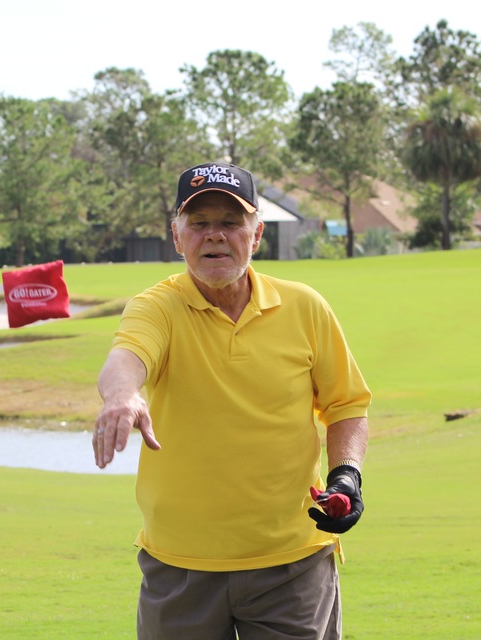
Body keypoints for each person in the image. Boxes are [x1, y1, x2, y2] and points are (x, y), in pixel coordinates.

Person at [93, 161, 371, 640]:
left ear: (256, 233)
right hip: (180, 568)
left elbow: (346, 404)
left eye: (230, 222)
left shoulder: (305, 307)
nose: (214, 236)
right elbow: (128, 355)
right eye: (198, 223)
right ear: (177, 237)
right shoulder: (156, 307)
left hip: (293, 565)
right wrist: (122, 396)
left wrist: (346, 474)